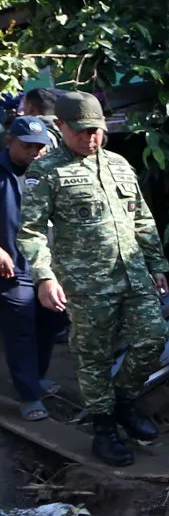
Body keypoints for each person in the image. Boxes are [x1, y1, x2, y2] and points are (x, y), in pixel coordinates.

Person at [18, 92, 169, 466]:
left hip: (133, 275)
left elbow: (142, 220)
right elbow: (31, 231)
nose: (91, 138)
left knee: (154, 337)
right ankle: (104, 430)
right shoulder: (47, 171)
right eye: (82, 131)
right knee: (93, 358)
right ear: (62, 127)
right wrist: (44, 277)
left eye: (97, 130)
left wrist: (157, 265)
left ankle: (122, 403)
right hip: (87, 286)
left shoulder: (118, 164)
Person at [0, 116, 63, 420]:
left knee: (49, 321)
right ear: (9, 141)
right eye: (27, 146)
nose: (35, 152)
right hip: (12, 268)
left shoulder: (48, 171)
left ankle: (35, 378)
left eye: (40, 147)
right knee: (21, 327)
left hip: (47, 267)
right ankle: (28, 396)